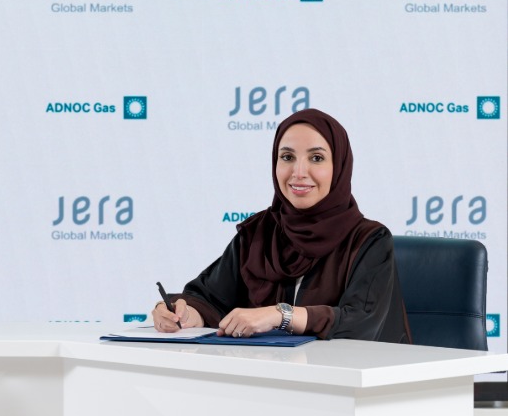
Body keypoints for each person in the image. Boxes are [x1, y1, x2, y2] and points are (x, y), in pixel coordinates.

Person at [152, 108, 410, 343]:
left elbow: (361, 323)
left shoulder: (369, 239)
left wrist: (280, 315)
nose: (298, 172)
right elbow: (209, 298)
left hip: (350, 383)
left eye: (316, 158)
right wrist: (184, 315)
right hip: (271, 381)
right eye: (287, 157)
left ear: (339, 167)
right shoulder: (258, 234)